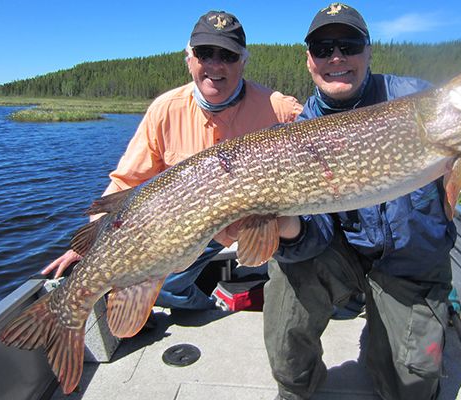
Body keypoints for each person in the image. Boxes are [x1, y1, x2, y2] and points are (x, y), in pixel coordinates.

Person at [258, 3, 461, 400]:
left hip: (411, 265)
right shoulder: (302, 131)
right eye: (323, 47)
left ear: (369, 51)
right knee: (287, 278)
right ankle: (296, 387)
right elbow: (313, 236)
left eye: (349, 45)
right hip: (342, 258)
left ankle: (395, 332)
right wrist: (282, 224)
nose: (336, 57)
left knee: (411, 388)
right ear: (309, 59)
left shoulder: (419, 100)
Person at [41, 10, 302, 313]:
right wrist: (91, 246)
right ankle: (209, 309)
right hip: (197, 230)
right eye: (206, 53)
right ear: (190, 59)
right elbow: (127, 183)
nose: (216, 65)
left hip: (267, 225)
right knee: (162, 287)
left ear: (243, 61)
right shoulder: (165, 109)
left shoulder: (280, 108)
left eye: (228, 55)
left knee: (303, 266)